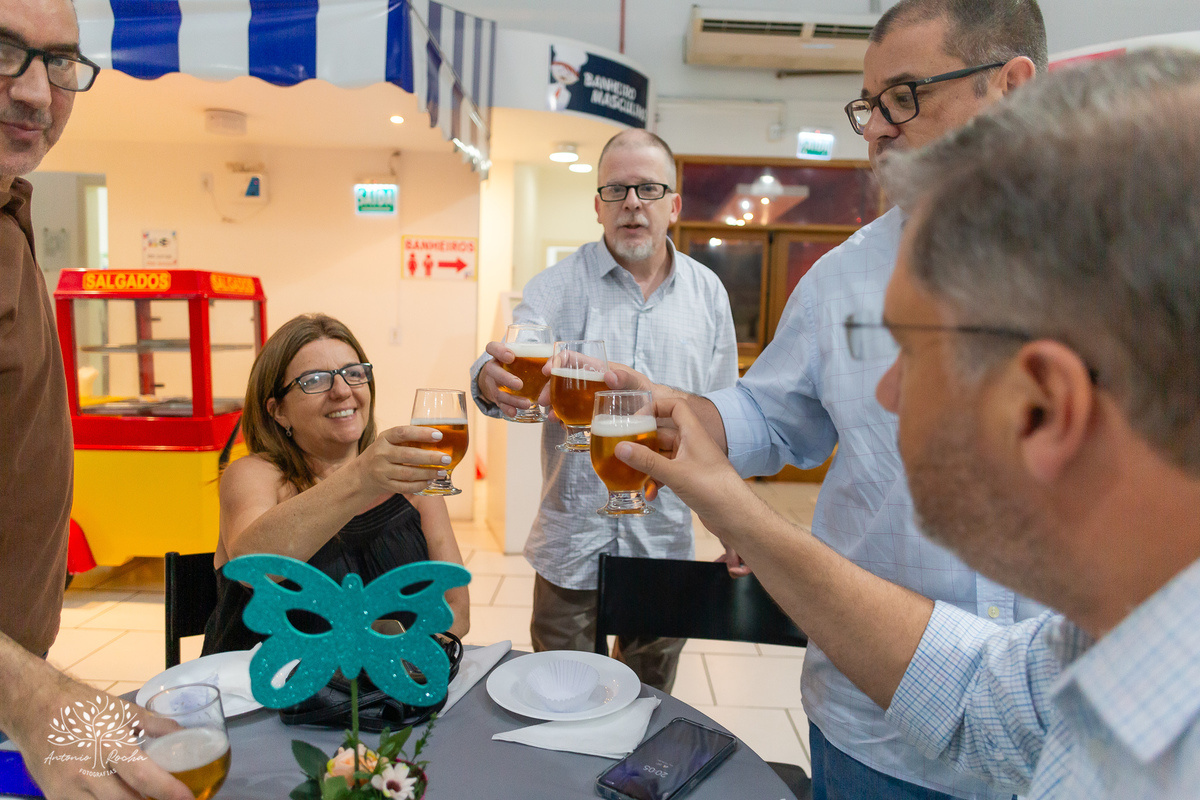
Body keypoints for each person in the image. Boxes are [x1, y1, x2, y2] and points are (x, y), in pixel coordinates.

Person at [617, 47, 1200, 799]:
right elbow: (978, 700)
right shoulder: (1105, 650)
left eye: (912, 350)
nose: (883, 393)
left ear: (1046, 406)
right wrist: (726, 493)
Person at [612, 1, 1046, 796]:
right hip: (875, 726)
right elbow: (774, 416)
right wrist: (683, 407)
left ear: (1010, 88)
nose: (875, 128)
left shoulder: (1132, 265)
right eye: (867, 106)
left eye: (905, 97)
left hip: (1068, 739)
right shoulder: (845, 275)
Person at [0, 1, 193, 797]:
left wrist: (32, 693)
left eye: (60, 63)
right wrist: (34, 697)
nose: (38, 93)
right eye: (5, 51)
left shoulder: (12, 213)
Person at [469, 129, 738, 691]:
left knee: (650, 704)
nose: (632, 203)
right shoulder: (556, 288)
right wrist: (487, 381)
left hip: (665, 542)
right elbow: (510, 362)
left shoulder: (708, 294)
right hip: (572, 538)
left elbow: (724, 420)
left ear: (673, 205)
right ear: (597, 206)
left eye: (647, 188)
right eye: (616, 190)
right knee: (561, 701)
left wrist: (734, 522)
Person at [203, 313, 469, 653]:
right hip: (267, 694)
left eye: (353, 373)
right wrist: (362, 476)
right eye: (314, 380)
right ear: (277, 410)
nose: (342, 391)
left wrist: (405, 663)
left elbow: (456, 606)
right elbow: (252, 569)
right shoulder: (255, 475)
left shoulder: (410, 482)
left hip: (387, 690)